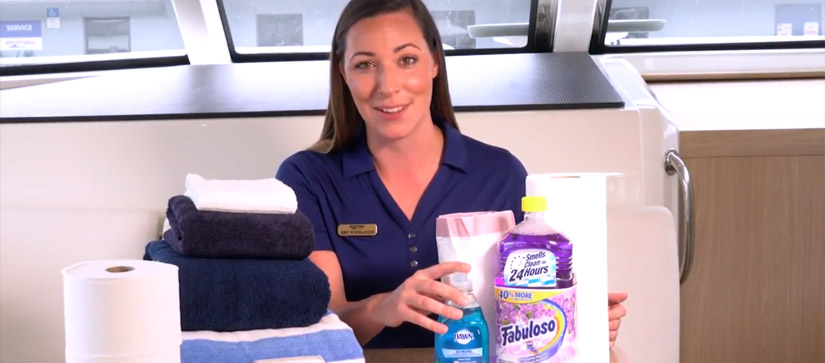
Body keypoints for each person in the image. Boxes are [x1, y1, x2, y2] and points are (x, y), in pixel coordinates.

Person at [276, 0, 627, 350]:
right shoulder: (307, 179)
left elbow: (528, 309)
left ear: (434, 62)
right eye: (365, 64)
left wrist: (576, 316)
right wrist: (381, 308)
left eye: (406, 60)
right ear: (343, 72)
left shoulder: (501, 174)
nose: (387, 85)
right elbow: (316, 325)